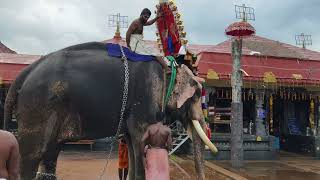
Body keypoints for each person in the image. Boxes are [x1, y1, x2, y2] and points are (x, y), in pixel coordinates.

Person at [141, 113, 172, 180]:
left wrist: (143, 154)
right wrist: (167, 147)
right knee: (163, 173)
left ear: (156, 118)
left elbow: (142, 140)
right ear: (164, 119)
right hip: (162, 153)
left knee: (151, 172)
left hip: (151, 152)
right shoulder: (167, 130)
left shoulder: (150, 128)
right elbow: (170, 146)